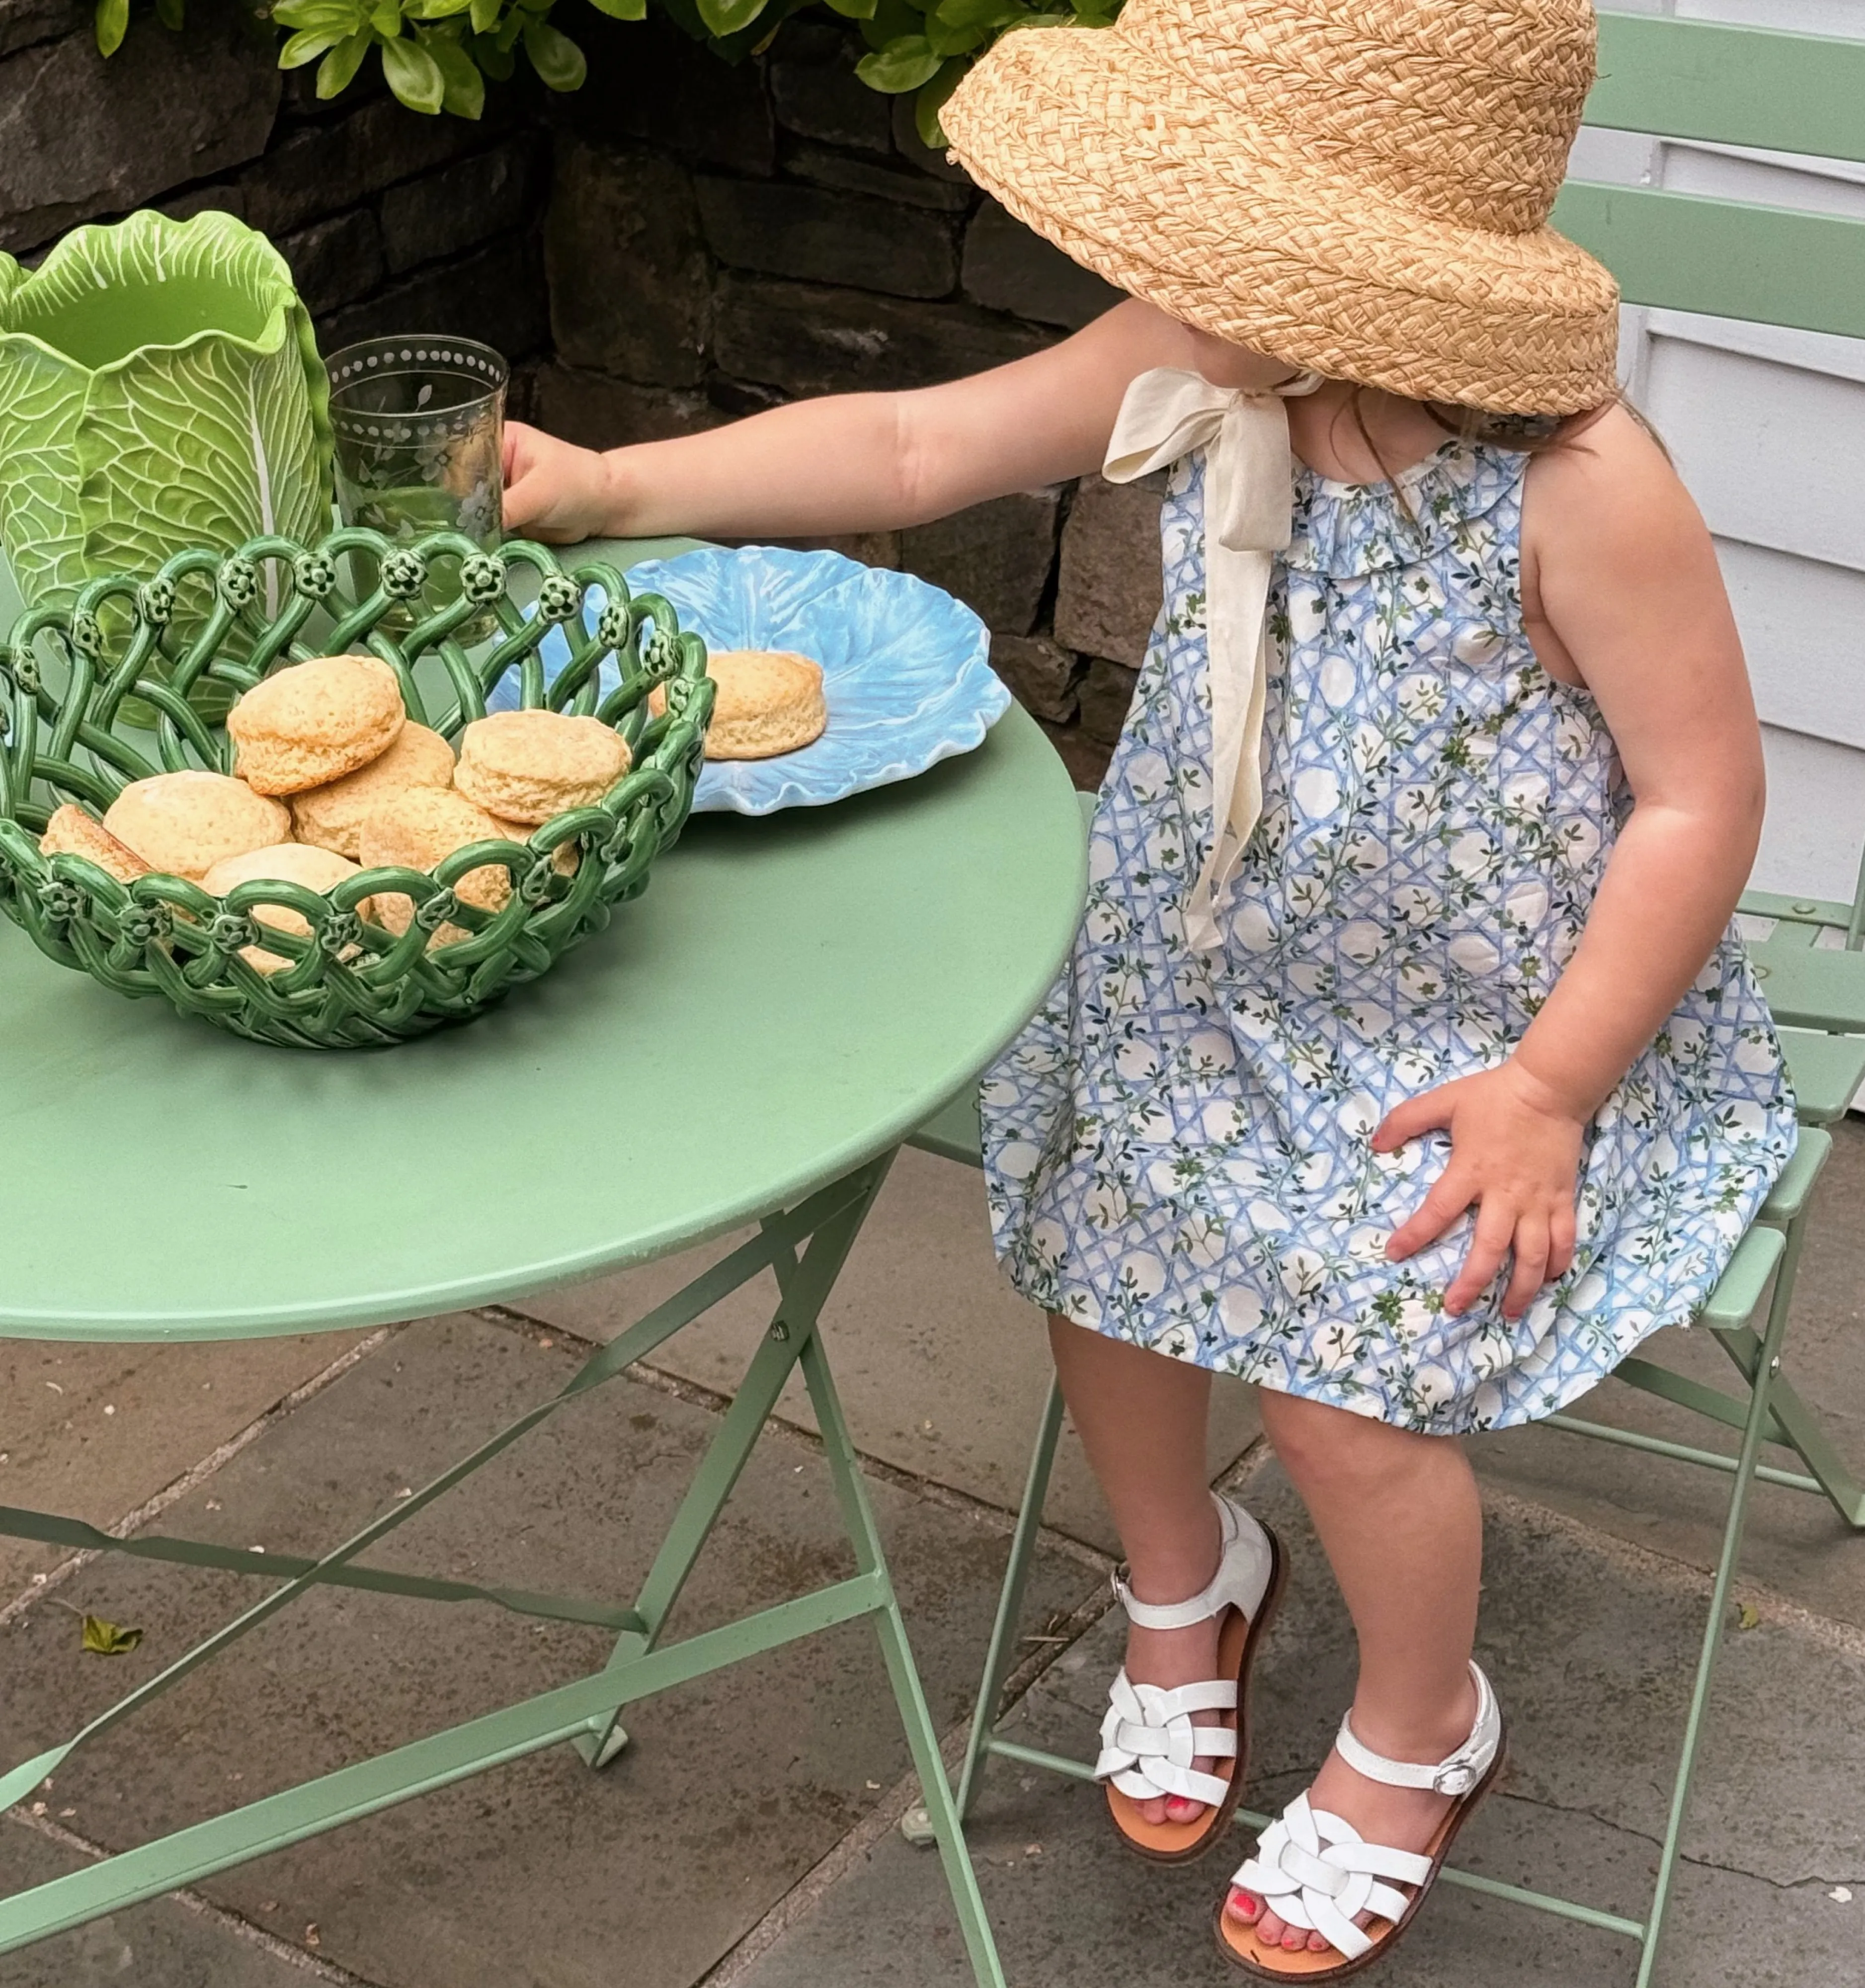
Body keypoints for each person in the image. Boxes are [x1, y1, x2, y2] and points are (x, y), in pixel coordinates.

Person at [500, 0, 1796, 1970]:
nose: (1161, 267)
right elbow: (917, 439)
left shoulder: (1580, 488)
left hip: (1496, 1026)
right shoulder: (1206, 359)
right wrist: (614, 485)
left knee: (1336, 1368)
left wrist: (1549, 1084)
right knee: (1099, 1221)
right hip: (1210, 957)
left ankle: (1419, 1723)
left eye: (1214, 228)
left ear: (1355, 265)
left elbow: (1698, 801)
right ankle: (1186, 1576)